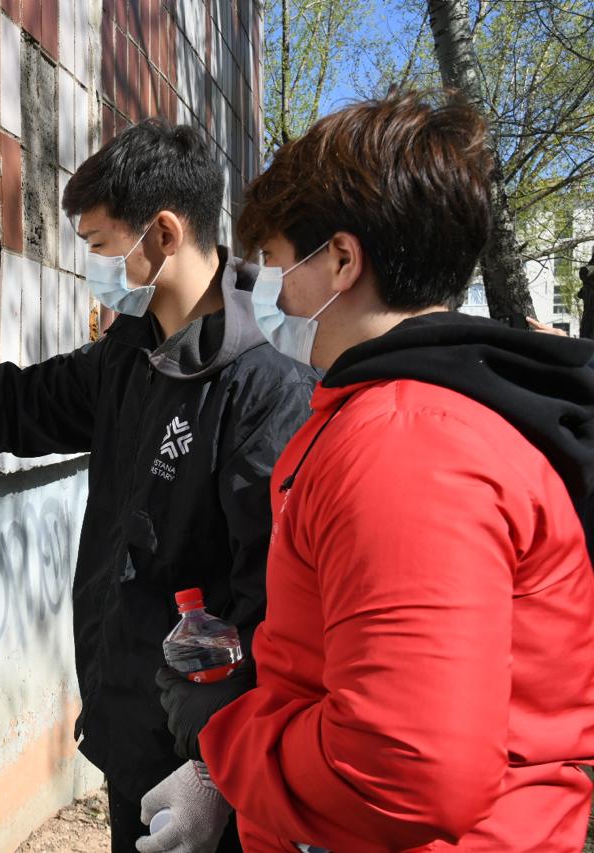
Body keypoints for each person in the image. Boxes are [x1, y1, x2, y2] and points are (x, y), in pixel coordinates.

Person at [0, 120, 316, 852]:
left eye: (102, 246)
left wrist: (218, 770)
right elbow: (18, 404)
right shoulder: (130, 356)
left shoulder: (263, 385)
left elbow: (280, 605)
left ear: (164, 234)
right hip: (131, 728)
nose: (95, 270)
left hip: (213, 765)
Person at [151, 91, 594, 851]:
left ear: (343, 261)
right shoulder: (420, 415)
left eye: (281, 268)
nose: (272, 296)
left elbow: (403, 769)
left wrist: (227, 736)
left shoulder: (408, 445)